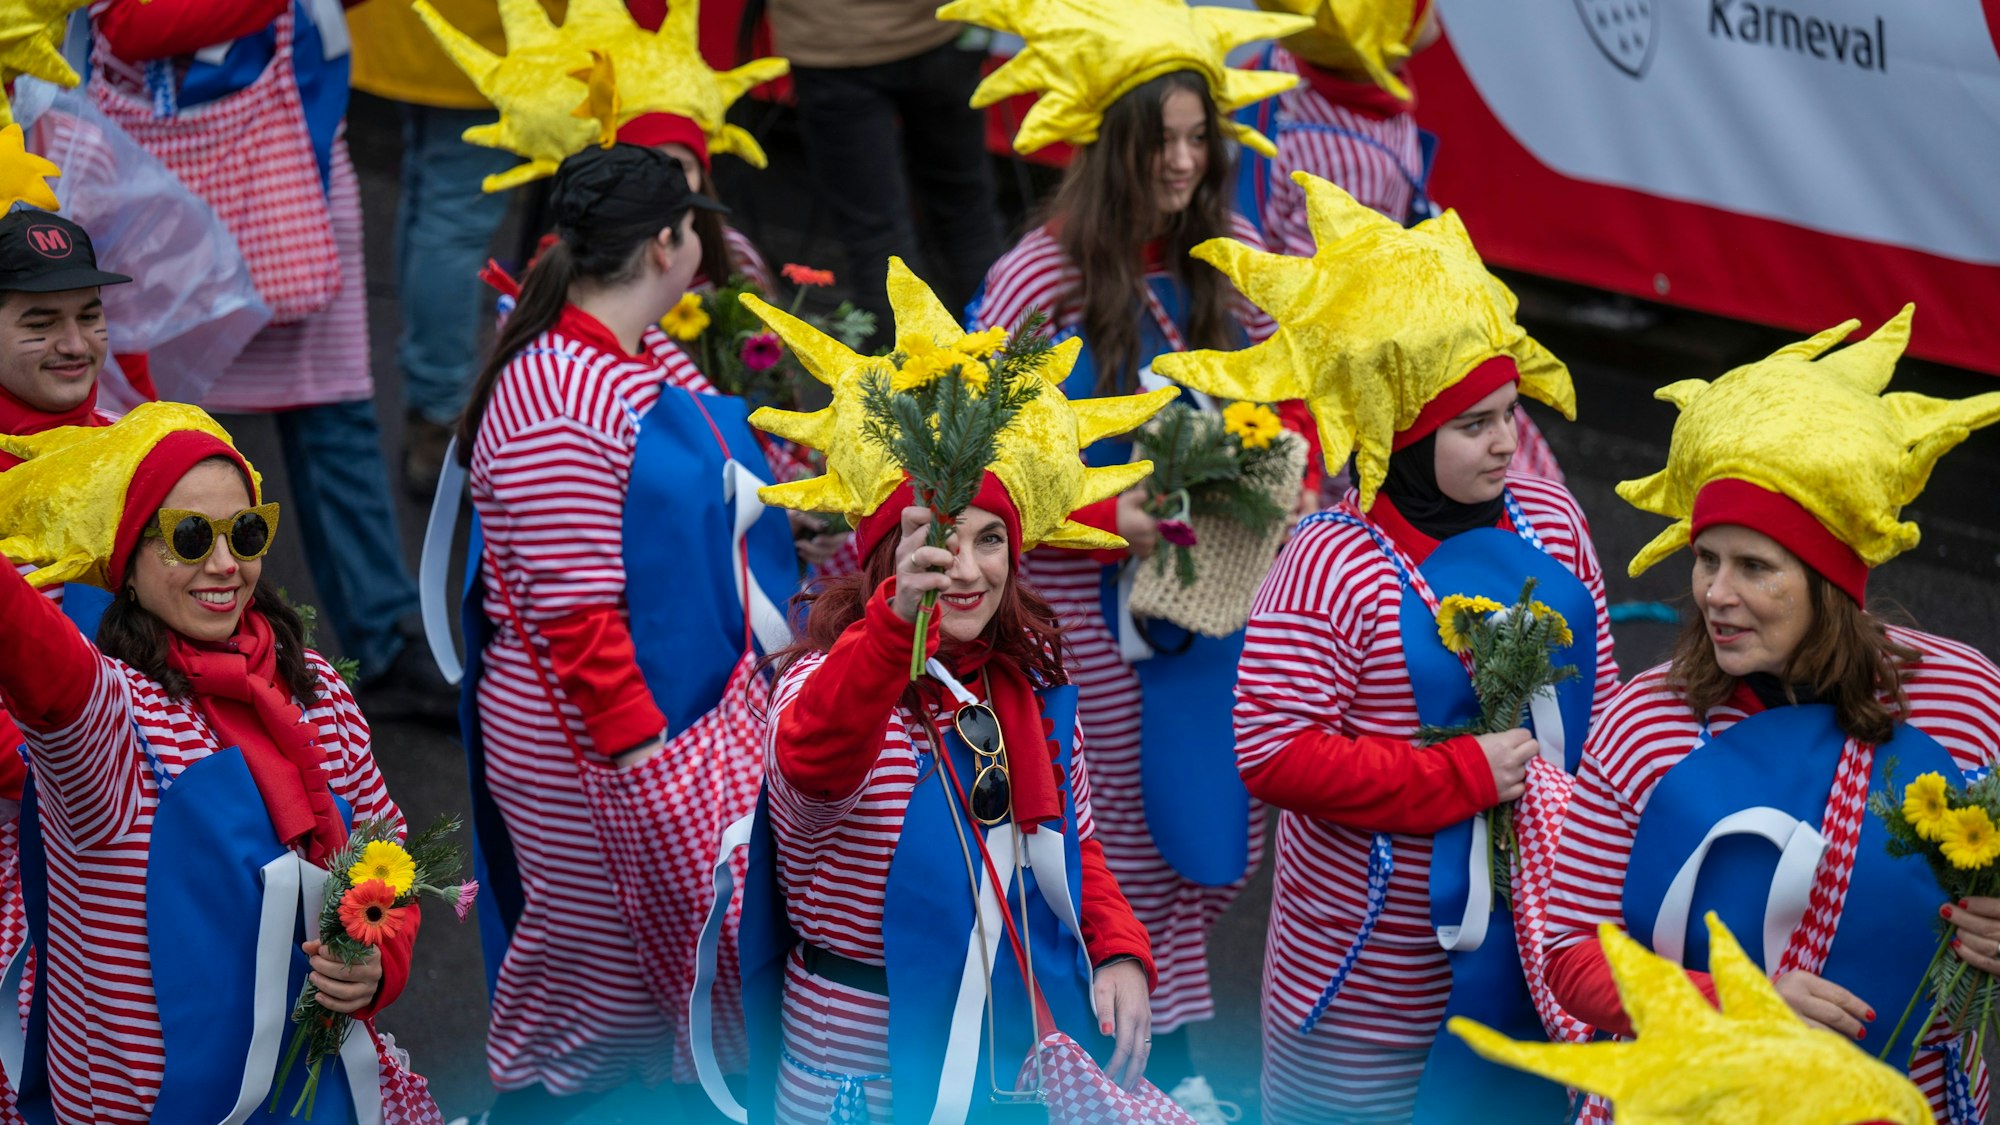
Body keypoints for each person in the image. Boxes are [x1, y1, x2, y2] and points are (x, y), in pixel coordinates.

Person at [1156, 173, 1618, 1124]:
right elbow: (1272, 751)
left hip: (1528, 953)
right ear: (1404, 433)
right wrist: (1458, 775)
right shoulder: (1336, 558)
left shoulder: (1554, 528)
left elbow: (1602, 713)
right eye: (1473, 426)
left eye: (1507, 416)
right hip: (1363, 969)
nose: (1504, 447)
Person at [949, 0, 1313, 1108]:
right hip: (1072, 623)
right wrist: (1117, 521)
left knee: (1193, 835)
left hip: (1206, 618)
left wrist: (1271, 476)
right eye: (1163, 138)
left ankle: (1171, 1062)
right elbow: (973, 463)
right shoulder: (1036, 280)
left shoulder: (1231, 264)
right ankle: (1110, 1060)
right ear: (1111, 142)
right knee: (1097, 841)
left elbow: (1290, 410)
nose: (1186, 160)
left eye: (1201, 137)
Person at [729, 257, 1175, 1122]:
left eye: (988, 541)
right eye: (934, 539)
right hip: (850, 1070)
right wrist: (897, 625)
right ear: (881, 556)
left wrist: (1119, 948)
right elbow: (817, 758)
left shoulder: (1034, 691)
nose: (964, 571)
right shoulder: (823, 681)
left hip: (1001, 1063)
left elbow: (1070, 852)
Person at [1541, 305, 2000, 1124]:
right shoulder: (1648, 719)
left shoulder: (1962, 699)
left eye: (1755, 566)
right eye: (1707, 559)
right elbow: (1571, 956)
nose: (1718, 594)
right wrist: (1738, 1000)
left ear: (1831, 582)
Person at [456, 142, 798, 1120]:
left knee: (654, 1005)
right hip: (597, 752)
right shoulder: (555, 396)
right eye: (696, 226)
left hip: (660, 727)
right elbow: (577, 627)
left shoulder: (639, 353)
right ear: (664, 244)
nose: (707, 243)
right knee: (592, 1018)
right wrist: (649, 779)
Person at [0, 402, 439, 1122]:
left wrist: (374, 960)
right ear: (129, 566)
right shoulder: (110, 721)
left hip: (310, 1095)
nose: (226, 563)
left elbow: (387, 856)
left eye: (247, 530)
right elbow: (31, 651)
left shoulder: (315, 688)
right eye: (190, 536)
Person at [85, 0, 451, 722]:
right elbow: (126, 23)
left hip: (290, 159)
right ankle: (143, 654)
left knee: (335, 406)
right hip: (177, 175)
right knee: (147, 430)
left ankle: (381, 634)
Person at [1242, 0, 1564, 484]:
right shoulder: (1345, 161)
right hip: (1345, 375)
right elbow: (1323, 309)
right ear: (1368, 31)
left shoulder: (1300, 68)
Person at [348, 0, 559, 498]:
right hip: (484, 32)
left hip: (406, 25)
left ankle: (431, 404)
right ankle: (439, 416)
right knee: (452, 214)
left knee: (430, 195)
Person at [764, 0, 1003, 344]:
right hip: (939, 28)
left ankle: (908, 390)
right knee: (967, 215)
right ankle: (1013, 374)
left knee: (877, 242)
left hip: (832, 41)